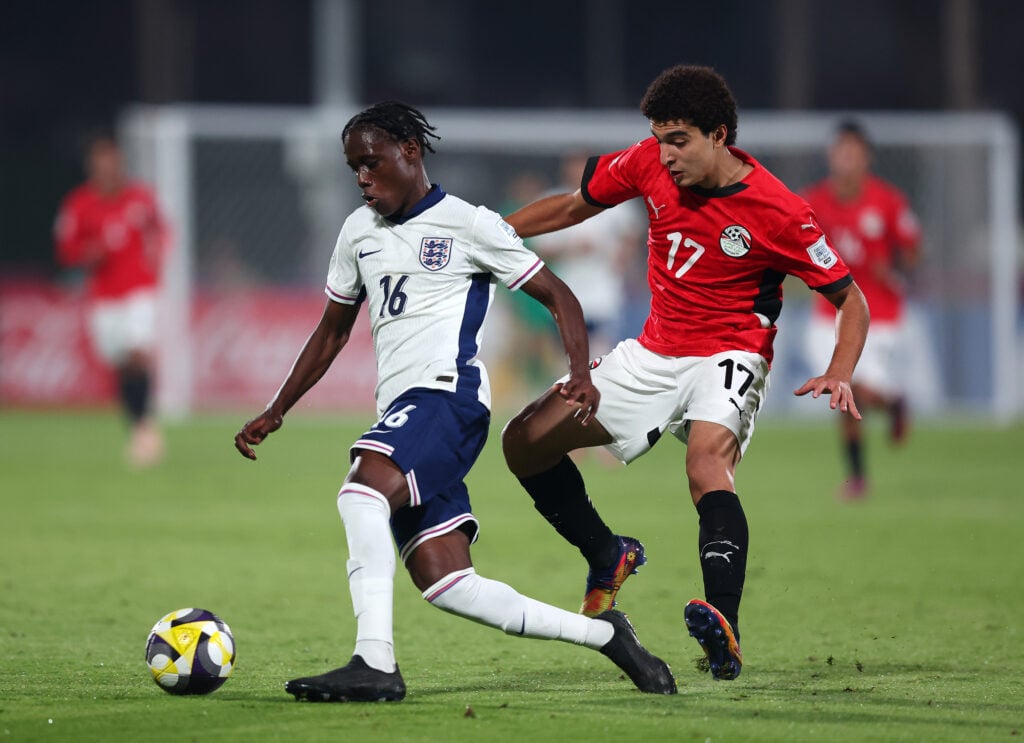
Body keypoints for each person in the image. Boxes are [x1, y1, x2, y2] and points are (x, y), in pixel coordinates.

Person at [233, 101, 676, 702]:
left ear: (410, 151)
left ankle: (374, 662)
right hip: (405, 409)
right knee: (448, 583)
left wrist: (580, 374)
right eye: (353, 167)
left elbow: (559, 295)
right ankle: (606, 636)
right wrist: (277, 408)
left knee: (362, 492)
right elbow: (332, 331)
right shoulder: (358, 231)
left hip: (447, 397)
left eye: (371, 162)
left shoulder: (471, 224)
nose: (362, 177)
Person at [500, 65, 870, 682]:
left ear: (719, 135)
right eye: (659, 139)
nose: (666, 154)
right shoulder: (649, 161)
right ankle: (606, 553)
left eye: (679, 141)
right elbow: (571, 206)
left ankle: (724, 627)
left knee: (705, 467)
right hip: (652, 353)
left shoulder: (780, 210)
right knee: (524, 441)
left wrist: (840, 369)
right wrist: (489, 233)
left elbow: (850, 299)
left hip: (731, 352)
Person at [802, 121, 922, 500]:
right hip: (829, 313)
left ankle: (892, 403)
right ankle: (857, 477)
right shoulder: (813, 202)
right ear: (831, 156)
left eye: (853, 153)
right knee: (842, 390)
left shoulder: (889, 201)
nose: (846, 160)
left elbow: (913, 251)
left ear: (866, 157)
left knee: (853, 389)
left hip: (879, 313)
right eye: (840, 152)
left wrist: (894, 269)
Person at [54, 132, 170, 467]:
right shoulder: (78, 204)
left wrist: (155, 259)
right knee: (120, 363)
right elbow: (65, 249)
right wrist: (85, 254)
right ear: (92, 166)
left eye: (112, 161)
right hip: (104, 297)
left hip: (139, 289)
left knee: (138, 352)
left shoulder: (141, 198)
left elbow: (163, 231)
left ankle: (144, 429)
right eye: (100, 162)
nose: (107, 168)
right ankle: (140, 427)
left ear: (120, 163)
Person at [529, 152, 645, 356]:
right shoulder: (554, 200)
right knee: (567, 356)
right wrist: (572, 248)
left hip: (603, 293)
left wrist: (622, 259)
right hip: (566, 288)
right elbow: (540, 247)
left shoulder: (611, 197)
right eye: (574, 168)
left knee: (600, 353)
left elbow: (633, 231)